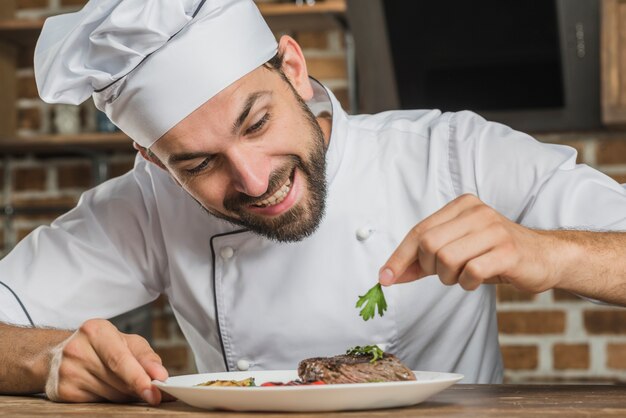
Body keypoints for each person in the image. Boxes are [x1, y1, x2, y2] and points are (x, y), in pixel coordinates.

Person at [1, 0, 625, 406]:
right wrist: (43, 359)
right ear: (151, 159)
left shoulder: (451, 152)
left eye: (256, 123)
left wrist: (550, 252)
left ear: (294, 68)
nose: (252, 179)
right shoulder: (145, 208)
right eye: (197, 163)